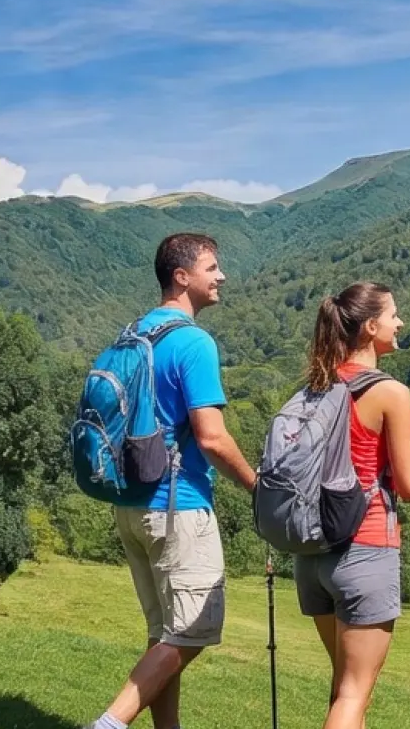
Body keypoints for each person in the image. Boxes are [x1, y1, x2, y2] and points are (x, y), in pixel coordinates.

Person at [90, 233, 259, 729]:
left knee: (165, 633)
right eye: (212, 267)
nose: (221, 275)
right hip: (177, 506)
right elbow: (212, 438)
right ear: (182, 277)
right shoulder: (192, 341)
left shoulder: (134, 333)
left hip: (130, 502)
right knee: (192, 633)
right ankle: (108, 725)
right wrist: (258, 487)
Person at [299, 281, 410, 729]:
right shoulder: (389, 393)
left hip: (311, 553)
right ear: (370, 326)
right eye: (394, 314)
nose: (400, 322)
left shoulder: (316, 385)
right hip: (364, 549)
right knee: (353, 694)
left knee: (344, 688)